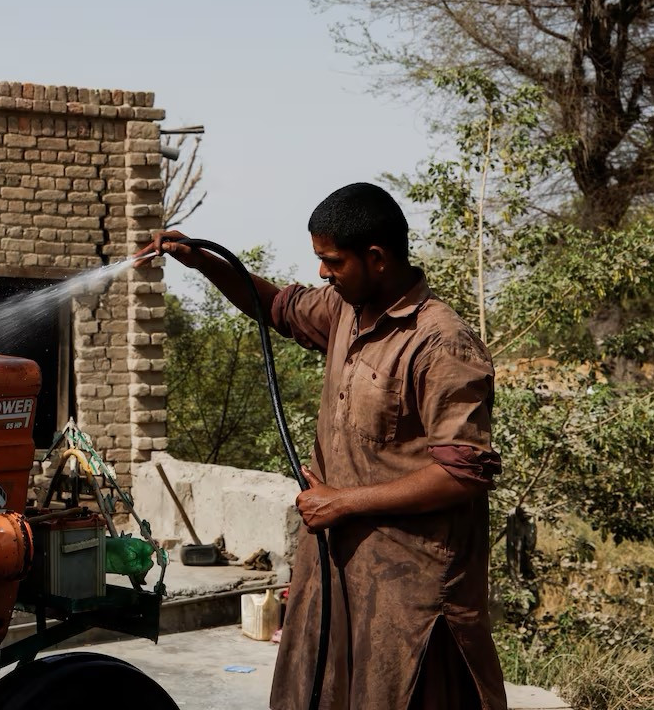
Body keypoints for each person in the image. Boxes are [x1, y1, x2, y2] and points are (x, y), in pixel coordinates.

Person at [138, 183, 507, 710]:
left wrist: (345, 502)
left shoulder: (441, 343)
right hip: (336, 568)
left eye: (332, 261)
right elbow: (275, 306)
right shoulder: (344, 310)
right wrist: (202, 262)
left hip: (411, 587)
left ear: (376, 258)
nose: (321, 274)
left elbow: (464, 472)